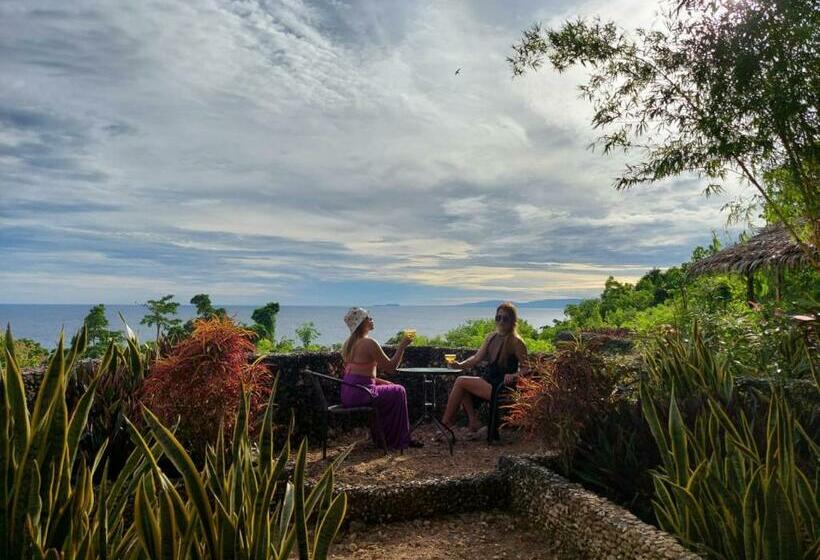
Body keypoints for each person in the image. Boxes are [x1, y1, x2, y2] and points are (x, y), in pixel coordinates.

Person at [440, 302, 528, 439]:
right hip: (489, 381)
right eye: (498, 318)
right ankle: (473, 422)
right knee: (462, 386)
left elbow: (527, 368)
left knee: (460, 381)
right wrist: (459, 365)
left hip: (502, 386)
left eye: (505, 318)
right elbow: (476, 358)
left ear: (513, 321)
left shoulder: (516, 342)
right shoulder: (491, 337)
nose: (501, 321)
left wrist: (514, 375)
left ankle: (445, 424)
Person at [340, 307, 421, 450]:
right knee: (399, 391)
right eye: (368, 318)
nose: (371, 319)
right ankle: (397, 439)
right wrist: (402, 346)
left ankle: (383, 437)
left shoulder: (348, 344)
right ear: (361, 324)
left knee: (391, 387)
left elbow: (359, 374)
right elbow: (391, 368)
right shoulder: (369, 343)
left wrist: (383, 382)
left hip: (349, 392)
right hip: (361, 392)